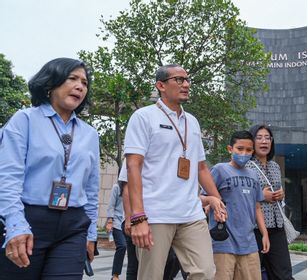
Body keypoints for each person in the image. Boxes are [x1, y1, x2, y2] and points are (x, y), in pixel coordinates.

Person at [123, 64, 227, 280]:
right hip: (155, 214)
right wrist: (137, 217)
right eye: (179, 80)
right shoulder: (143, 117)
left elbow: (201, 167)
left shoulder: (192, 122)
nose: (186, 84)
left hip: (191, 213)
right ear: (161, 85)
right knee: (151, 276)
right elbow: (133, 166)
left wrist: (217, 199)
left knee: (206, 273)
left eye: (187, 80)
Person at [0, 58, 100, 279]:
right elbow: (7, 178)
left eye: (84, 82)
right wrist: (16, 226)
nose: (80, 86)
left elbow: (92, 190)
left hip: (73, 227)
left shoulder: (90, 134)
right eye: (72, 78)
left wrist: (91, 233)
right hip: (28, 221)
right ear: (50, 83)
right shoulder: (24, 120)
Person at [204, 130, 270, 280]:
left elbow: (257, 206)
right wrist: (211, 202)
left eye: (248, 150)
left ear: (253, 151)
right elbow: (201, 197)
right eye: (240, 149)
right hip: (223, 243)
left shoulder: (253, 175)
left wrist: (264, 234)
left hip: (249, 244)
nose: (244, 153)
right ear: (230, 149)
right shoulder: (219, 170)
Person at [118, 159, 188, 280]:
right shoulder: (135, 153)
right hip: (139, 220)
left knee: (171, 260)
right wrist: (129, 218)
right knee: (135, 265)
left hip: (166, 219)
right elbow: (127, 189)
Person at [246, 124, 294, 280]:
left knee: (284, 273)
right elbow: (242, 196)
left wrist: (280, 195)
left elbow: (277, 193)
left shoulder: (275, 166)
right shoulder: (246, 166)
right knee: (252, 274)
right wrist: (262, 195)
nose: (264, 141)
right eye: (259, 138)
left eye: (267, 138)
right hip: (254, 229)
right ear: (252, 142)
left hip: (277, 226)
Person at [106, 182, 127, 280]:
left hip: (129, 222)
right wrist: (109, 221)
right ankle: (115, 275)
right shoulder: (117, 187)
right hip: (117, 222)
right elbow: (111, 205)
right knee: (122, 246)